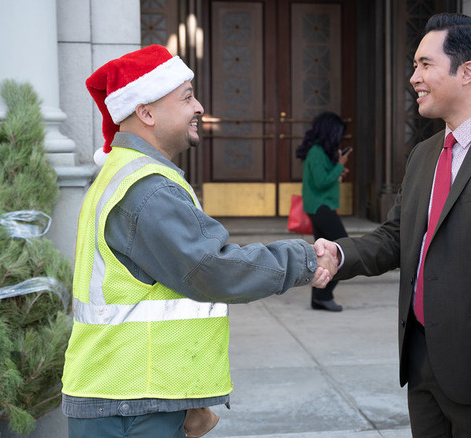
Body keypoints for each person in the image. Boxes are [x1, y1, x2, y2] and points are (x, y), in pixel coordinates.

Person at [61, 45, 337, 438]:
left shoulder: (129, 174)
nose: (199, 106)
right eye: (186, 96)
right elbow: (212, 268)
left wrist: (189, 405)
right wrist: (305, 258)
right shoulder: (147, 190)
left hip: (131, 394)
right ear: (146, 112)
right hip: (131, 404)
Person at [316, 13, 471, 438]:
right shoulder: (424, 154)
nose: (414, 78)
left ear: (467, 72)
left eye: (425, 65)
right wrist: (340, 254)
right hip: (422, 364)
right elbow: (397, 237)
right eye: (415, 65)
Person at [295, 111, 352, 312]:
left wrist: (337, 170)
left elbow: (324, 178)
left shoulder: (319, 152)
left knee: (325, 253)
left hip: (321, 207)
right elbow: (320, 182)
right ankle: (323, 295)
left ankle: (319, 298)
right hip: (320, 207)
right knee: (344, 250)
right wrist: (340, 166)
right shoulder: (317, 152)